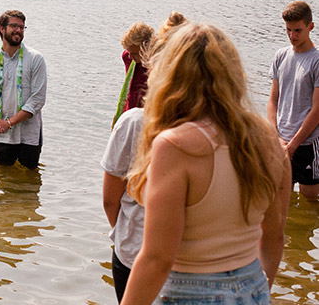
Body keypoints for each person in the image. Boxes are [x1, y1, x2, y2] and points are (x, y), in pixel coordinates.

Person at [121, 23, 291, 305]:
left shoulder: (174, 146)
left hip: (190, 291)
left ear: (170, 76)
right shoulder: (268, 140)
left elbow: (156, 260)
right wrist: (257, 289)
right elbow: (273, 239)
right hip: (253, 286)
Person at [101, 13, 186, 302]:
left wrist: (123, 231)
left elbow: (110, 200)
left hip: (132, 251)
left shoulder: (137, 120)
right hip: (133, 119)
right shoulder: (130, 58)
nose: (135, 59)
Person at [0, 10, 47, 169]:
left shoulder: (35, 59)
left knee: (29, 184)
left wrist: (8, 123)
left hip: (29, 137)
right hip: (2, 137)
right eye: (14, 26)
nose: (18, 30)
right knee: (2, 181)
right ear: (1, 28)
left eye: (22, 27)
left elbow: (37, 100)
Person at [267, 0, 319, 199]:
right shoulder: (281, 56)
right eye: (288, 30)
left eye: (297, 30)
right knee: (280, 200)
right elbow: (273, 100)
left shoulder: (316, 60)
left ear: (310, 26)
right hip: (281, 141)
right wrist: (276, 137)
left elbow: (317, 110)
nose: (292, 36)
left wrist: (294, 144)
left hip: (308, 144)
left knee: (310, 202)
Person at [112, 22, 154, 128]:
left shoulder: (158, 63)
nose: (131, 56)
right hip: (129, 114)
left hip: (149, 116)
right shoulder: (127, 57)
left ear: (147, 49)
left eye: (134, 53)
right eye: (128, 51)